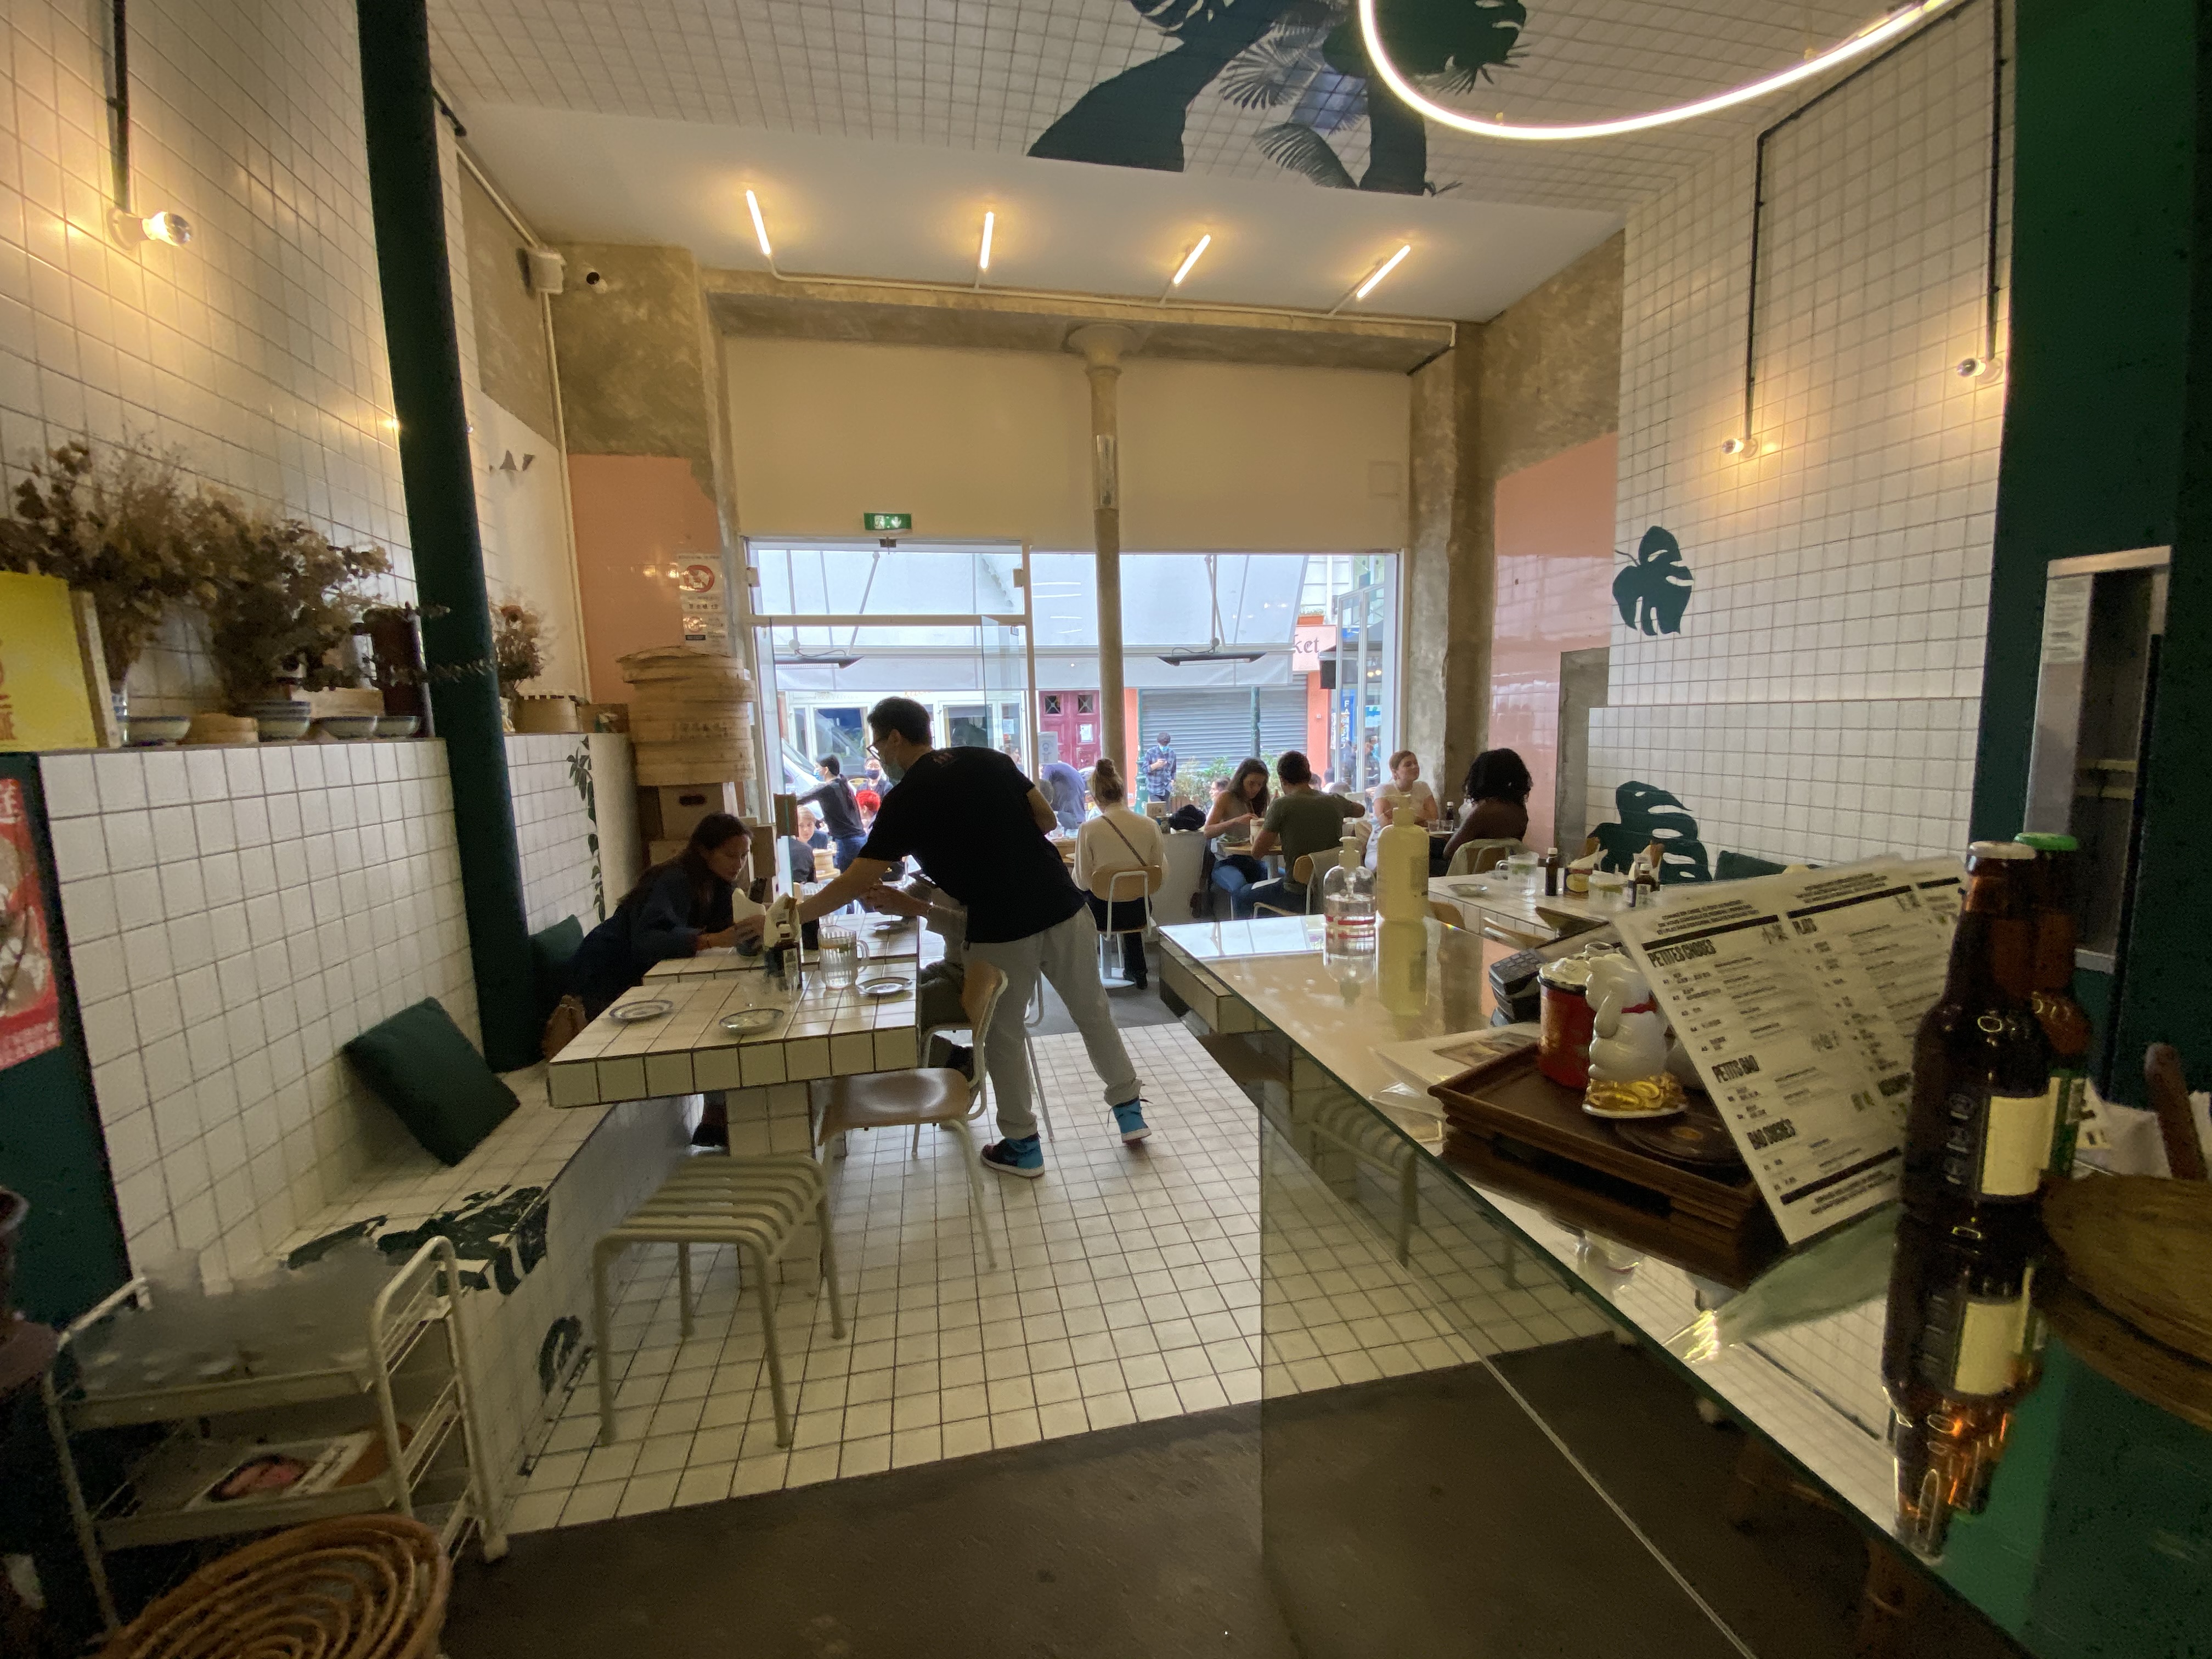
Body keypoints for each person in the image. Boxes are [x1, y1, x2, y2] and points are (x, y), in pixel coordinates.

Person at [744, 696, 1147, 1178]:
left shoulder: (907, 798)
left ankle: (1023, 1146)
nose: (879, 757)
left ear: (895, 738)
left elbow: (855, 881)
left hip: (1000, 925)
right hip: (1062, 904)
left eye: (877, 746)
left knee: (1002, 1035)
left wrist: (789, 917)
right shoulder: (989, 759)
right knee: (1093, 1013)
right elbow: (1044, 819)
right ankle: (1130, 1113)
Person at [570, 814, 755, 1018]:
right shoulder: (674, 879)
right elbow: (647, 941)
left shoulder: (718, 883)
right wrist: (710, 940)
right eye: (731, 856)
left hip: (634, 971)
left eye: (744, 856)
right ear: (704, 852)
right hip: (605, 969)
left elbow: (725, 927)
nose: (739, 864)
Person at [1073, 759, 1163, 989]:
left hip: (1102, 915)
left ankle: (1086, 972)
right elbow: (1158, 872)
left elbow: (1082, 881)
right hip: (1140, 911)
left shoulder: (1089, 829)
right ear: (1122, 792)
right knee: (1132, 893)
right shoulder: (1150, 825)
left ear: (1095, 797)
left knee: (1088, 897)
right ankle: (1138, 971)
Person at [1242, 751, 1365, 917]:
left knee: (1242, 895)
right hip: (1331, 891)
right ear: (1308, 774)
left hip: (1296, 894)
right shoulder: (1334, 800)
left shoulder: (1281, 805)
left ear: (1282, 779)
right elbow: (1360, 810)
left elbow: (1257, 852)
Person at [1440, 747, 1534, 870]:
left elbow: (1449, 852)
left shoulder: (1484, 810)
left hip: (1472, 871)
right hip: (1502, 870)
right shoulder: (1520, 810)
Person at [1203, 758, 1270, 916]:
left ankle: (1264, 923)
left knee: (1281, 878)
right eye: (1252, 783)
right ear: (1241, 780)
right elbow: (1207, 831)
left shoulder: (1258, 801)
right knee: (1240, 887)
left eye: (1260, 784)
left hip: (1252, 860)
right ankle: (1242, 926)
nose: (1256, 789)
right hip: (1225, 862)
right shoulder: (1226, 797)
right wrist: (1235, 821)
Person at [798, 757, 867, 871]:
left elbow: (799, 800)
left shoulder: (826, 789)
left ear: (825, 770)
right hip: (860, 839)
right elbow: (840, 810)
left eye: (817, 767)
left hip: (847, 842)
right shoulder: (843, 783)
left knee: (845, 877)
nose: (816, 770)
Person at [1373, 749, 1438, 827]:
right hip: (1389, 834)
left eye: (1416, 763)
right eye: (1408, 765)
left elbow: (1434, 820)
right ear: (1395, 772)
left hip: (1419, 833)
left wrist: (1401, 818)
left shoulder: (1423, 787)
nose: (1415, 767)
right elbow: (1386, 823)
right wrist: (1420, 817)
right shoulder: (1384, 790)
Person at [1039, 758, 1087, 833]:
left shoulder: (1049, 768)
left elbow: (1044, 791)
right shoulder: (1065, 768)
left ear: (1041, 766)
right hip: (1079, 817)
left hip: (1068, 817)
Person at [1141, 731, 1178, 804]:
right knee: (1158, 810)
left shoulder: (1172, 754)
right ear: (1158, 743)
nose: (1164, 747)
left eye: (1166, 746)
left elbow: (1174, 770)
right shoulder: (1150, 753)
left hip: (1167, 789)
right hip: (1154, 789)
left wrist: (1172, 782)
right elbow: (1144, 769)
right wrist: (1156, 765)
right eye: (1162, 746)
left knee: (1166, 811)